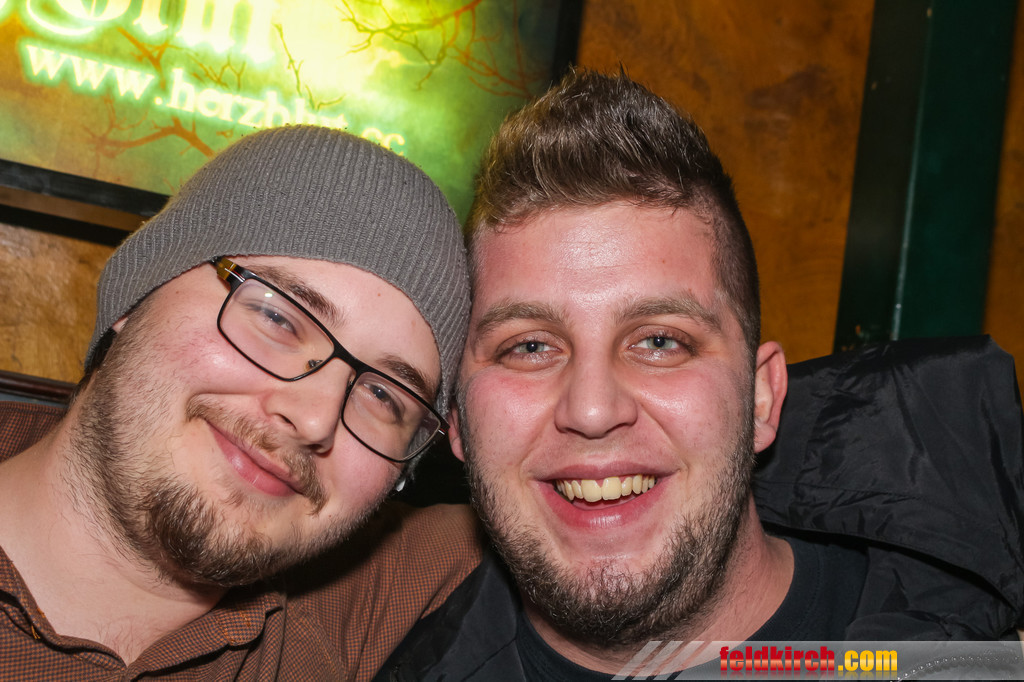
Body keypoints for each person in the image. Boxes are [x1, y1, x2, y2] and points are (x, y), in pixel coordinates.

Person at [377, 70, 1024, 680]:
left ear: (761, 397)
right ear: (457, 420)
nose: (593, 409)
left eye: (660, 341)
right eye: (529, 347)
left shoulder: (971, 646)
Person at [0, 125, 482, 680]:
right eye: (278, 318)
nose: (315, 418)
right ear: (139, 292)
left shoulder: (381, 598)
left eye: (383, 395)